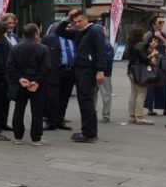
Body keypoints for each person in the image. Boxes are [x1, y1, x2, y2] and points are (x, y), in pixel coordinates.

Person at [56, 9, 110, 143]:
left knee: (86, 101)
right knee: (83, 101)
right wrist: (67, 19)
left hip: (88, 70)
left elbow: (100, 50)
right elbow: (59, 32)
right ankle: (87, 130)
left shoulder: (95, 30)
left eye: (80, 21)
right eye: (75, 22)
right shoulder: (79, 33)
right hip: (80, 70)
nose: (78, 24)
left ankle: (89, 133)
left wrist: (100, 71)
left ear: (86, 20)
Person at [5, 23, 51, 145]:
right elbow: (46, 67)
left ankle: (17, 136)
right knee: (37, 111)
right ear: (36, 33)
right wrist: (37, 81)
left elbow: (9, 66)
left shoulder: (16, 48)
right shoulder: (43, 48)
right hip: (38, 85)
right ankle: (36, 138)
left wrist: (20, 79)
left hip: (21, 83)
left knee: (19, 109)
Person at [41, 22, 74, 131]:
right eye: (67, 27)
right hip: (54, 71)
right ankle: (50, 121)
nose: (69, 28)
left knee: (64, 97)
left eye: (70, 27)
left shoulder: (74, 37)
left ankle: (60, 120)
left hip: (70, 71)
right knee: (52, 97)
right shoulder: (49, 39)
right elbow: (42, 55)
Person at [143, 15, 166, 116]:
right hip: (152, 63)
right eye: (160, 22)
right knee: (151, 86)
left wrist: (161, 37)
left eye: (163, 22)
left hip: (162, 63)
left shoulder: (163, 34)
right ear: (153, 24)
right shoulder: (148, 34)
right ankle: (150, 109)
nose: (162, 24)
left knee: (164, 86)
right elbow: (143, 48)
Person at [125, 27, 155, 125]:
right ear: (140, 36)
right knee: (141, 93)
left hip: (131, 71)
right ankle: (140, 116)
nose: (145, 35)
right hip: (139, 72)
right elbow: (145, 59)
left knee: (133, 93)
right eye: (143, 33)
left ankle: (132, 116)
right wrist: (152, 54)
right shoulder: (140, 45)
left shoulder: (131, 45)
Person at [0, 13, 18, 130]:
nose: (11, 25)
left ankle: (3, 122)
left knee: (7, 100)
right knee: (0, 100)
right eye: (8, 23)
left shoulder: (15, 37)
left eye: (13, 23)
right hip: (3, 73)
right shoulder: (0, 37)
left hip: (12, 74)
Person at [98, 24, 116, 122]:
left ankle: (92, 112)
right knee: (106, 95)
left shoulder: (94, 43)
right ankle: (106, 115)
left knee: (93, 95)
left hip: (94, 72)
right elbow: (109, 59)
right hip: (105, 73)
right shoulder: (107, 44)